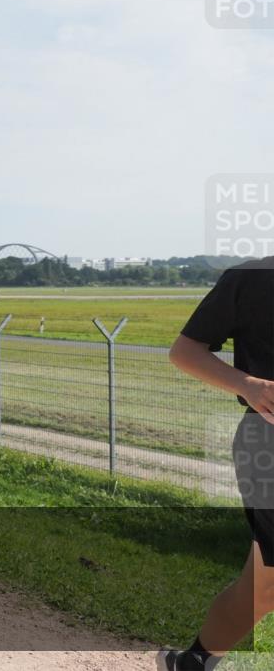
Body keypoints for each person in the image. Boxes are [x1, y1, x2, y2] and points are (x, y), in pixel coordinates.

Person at [158, 256, 274, 671]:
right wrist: (245, 383)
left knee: (262, 589)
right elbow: (185, 351)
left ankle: (191, 664)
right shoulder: (251, 279)